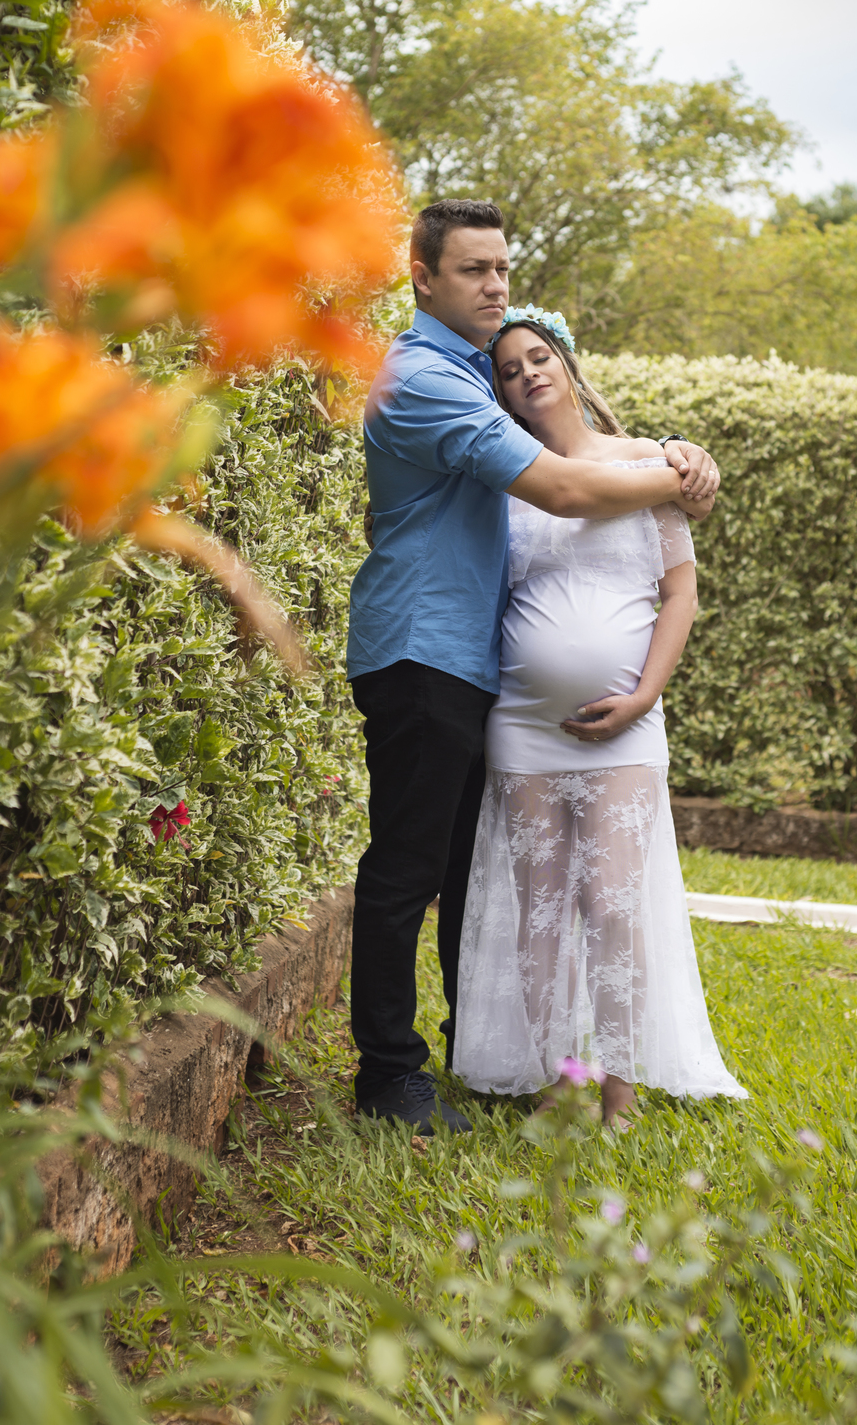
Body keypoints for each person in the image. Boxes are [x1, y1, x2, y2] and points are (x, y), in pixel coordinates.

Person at [346, 197, 721, 1133]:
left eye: (503, 268)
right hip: (420, 649)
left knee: (473, 873)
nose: (496, 285)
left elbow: (574, 456)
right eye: (473, 270)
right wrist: (682, 474)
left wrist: (665, 455)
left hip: (467, 663)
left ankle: (487, 1057)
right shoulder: (423, 377)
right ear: (422, 277)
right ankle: (392, 1079)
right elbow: (561, 485)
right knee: (409, 870)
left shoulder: (477, 374)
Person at [453, 311, 746, 1125]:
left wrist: (645, 694)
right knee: (541, 912)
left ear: (569, 364)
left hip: (629, 726)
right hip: (522, 726)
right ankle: (562, 1079)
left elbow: (680, 591)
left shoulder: (652, 465)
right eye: (507, 371)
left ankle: (619, 1086)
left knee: (614, 904)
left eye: (538, 358)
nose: (526, 376)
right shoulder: (504, 480)